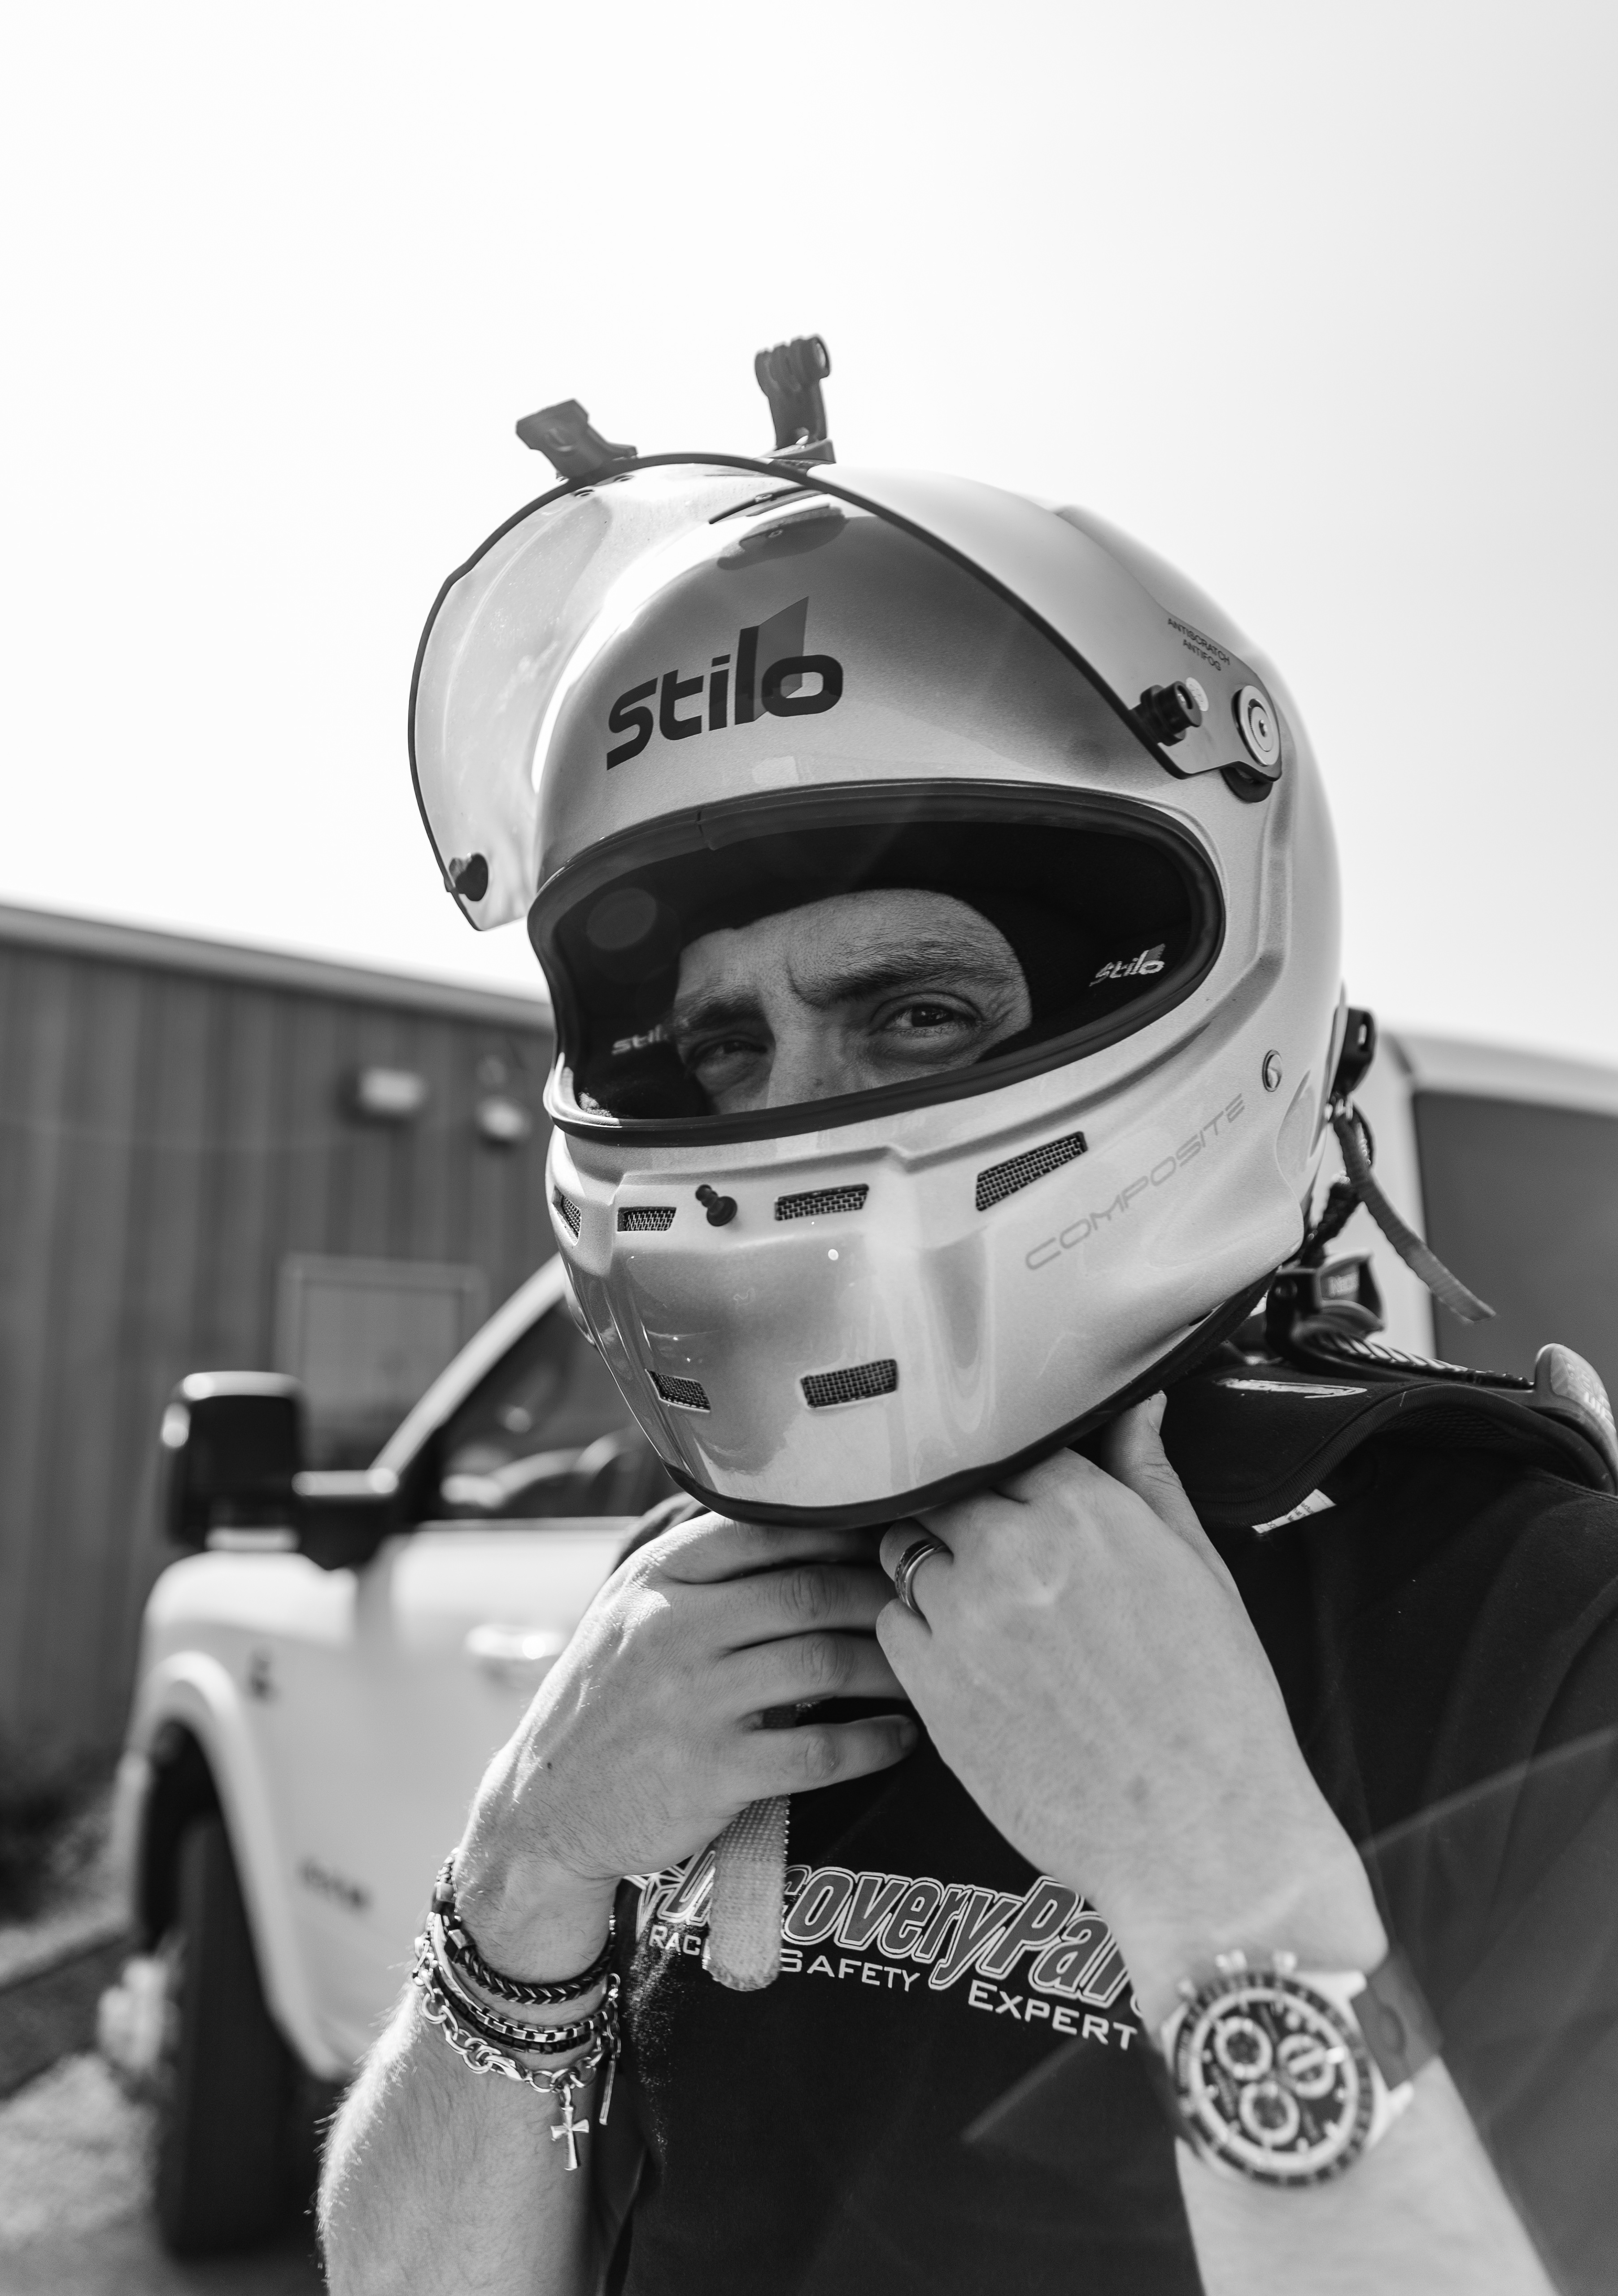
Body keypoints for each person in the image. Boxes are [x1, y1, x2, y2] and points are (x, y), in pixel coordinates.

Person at [319, 402, 1618, 2293]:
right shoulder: (694, 1596)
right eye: (726, 1048)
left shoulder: (1529, 1622)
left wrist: (1222, 1872)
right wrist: (525, 1869)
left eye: (914, 1012)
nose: (785, 1117)